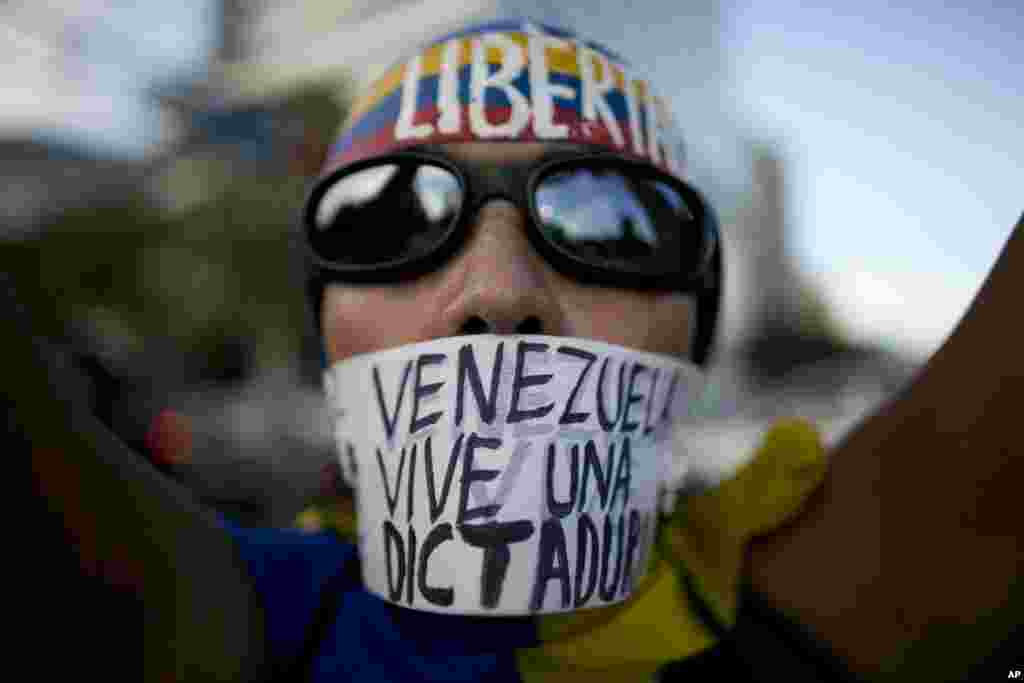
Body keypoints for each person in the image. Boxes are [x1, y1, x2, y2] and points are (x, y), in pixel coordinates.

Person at [14, 18, 1021, 682]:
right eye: (389, 220)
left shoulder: (806, 581)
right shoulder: (238, 609)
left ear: (694, 333)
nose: (495, 295)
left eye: (610, 223)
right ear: (325, 327)